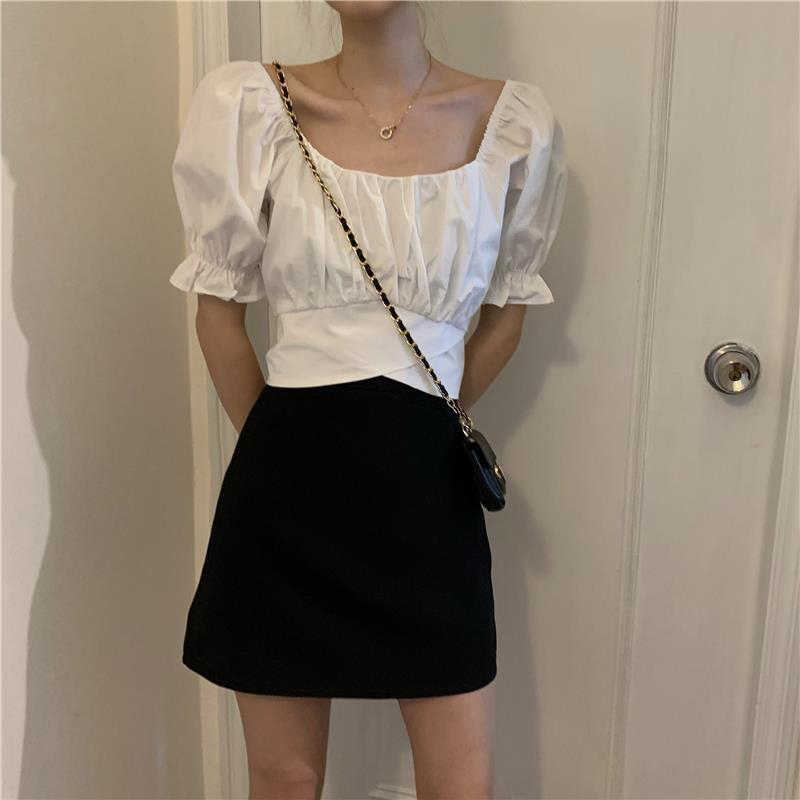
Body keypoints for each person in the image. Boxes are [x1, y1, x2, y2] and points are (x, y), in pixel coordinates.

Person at [169, 2, 567, 797]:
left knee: (461, 781)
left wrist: (417, 424)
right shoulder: (249, 108)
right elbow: (219, 316)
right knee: (283, 780)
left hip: (429, 498)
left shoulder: (513, 126)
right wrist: (285, 446)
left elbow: (507, 316)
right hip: (283, 501)